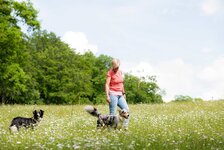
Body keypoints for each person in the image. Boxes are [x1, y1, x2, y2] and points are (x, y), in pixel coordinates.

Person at [105, 58, 129, 130]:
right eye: (114, 67)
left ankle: (125, 128)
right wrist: (107, 96)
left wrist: (123, 93)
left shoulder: (120, 72)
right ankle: (110, 130)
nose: (116, 69)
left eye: (117, 67)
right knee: (112, 113)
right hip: (113, 94)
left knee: (127, 109)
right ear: (113, 65)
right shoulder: (110, 73)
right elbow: (107, 84)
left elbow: (121, 83)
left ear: (119, 65)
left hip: (120, 94)